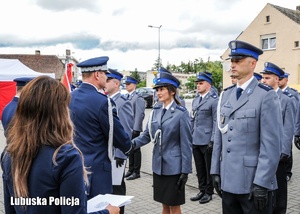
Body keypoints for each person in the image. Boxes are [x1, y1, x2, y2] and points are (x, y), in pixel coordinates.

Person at [1, 75, 119, 214]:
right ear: (59, 113)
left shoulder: (9, 154)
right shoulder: (65, 157)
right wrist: (108, 212)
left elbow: (11, 209)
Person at [211, 40, 282, 214]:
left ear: (252, 63)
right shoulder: (226, 95)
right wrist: (215, 171)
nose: (232, 65)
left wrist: (262, 183)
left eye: (238, 60)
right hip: (228, 180)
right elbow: (219, 136)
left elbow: (271, 146)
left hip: (252, 182)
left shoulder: (266, 96)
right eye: (232, 61)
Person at [69, 56, 132, 199]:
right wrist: (128, 146)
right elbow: (117, 135)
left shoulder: (69, 97)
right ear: (97, 75)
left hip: (73, 164)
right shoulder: (103, 102)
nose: (106, 77)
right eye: (105, 73)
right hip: (96, 170)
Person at [130, 71, 192, 214]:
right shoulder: (156, 110)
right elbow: (147, 135)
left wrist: (186, 171)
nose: (158, 92)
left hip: (174, 168)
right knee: (164, 205)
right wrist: (131, 145)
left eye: (162, 89)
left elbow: (186, 144)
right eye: (157, 89)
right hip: (158, 167)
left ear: (172, 91)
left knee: (174, 206)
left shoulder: (181, 113)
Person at [261, 63, 296, 214]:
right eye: (262, 78)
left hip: (278, 153)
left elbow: (288, 128)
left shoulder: (287, 100)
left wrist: (284, 151)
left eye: (267, 78)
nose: (263, 81)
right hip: (262, 151)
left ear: (277, 79)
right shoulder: (260, 97)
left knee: (279, 188)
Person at [105, 68, 134, 214]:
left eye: (108, 80)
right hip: (106, 156)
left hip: (116, 157)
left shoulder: (122, 103)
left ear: (116, 83)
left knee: (117, 190)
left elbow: (126, 132)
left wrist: (121, 156)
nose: (105, 82)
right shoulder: (105, 101)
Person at [190, 72, 218, 204]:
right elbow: (192, 119)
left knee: (208, 168)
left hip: (207, 140)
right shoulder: (196, 100)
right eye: (197, 83)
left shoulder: (213, 100)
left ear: (208, 84)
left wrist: (212, 139)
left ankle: (208, 192)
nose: (198, 86)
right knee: (199, 168)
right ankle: (201, 189)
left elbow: (216, 122)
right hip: (195, 139)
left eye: (201, 83)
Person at [279, 72, 300, 181]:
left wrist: (296, 131)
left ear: (286, 80)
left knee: (287, 149)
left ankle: (287, 172)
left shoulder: (293, 94)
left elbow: (296, 113)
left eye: (281, 79)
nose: (279, 81)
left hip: (287, 126)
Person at [124, 76, 145, 180]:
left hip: (134, 128)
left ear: (134, 85)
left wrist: (136, 129)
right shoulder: (127, 97)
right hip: (128, 128)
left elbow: (139, 114)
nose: (126, 86)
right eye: (126, 84)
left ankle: (136, 171)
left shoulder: (138, 98)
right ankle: (130, 169)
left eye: (128, 84)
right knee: (130, 149)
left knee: (136, 149)